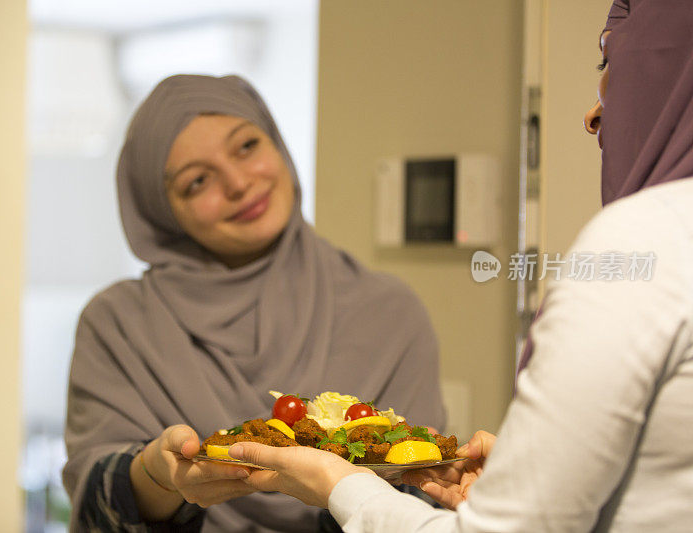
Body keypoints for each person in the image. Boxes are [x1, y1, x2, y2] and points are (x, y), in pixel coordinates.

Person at [227, 1, 693, 531]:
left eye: (609, 64)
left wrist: (339, 485)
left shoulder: (638, 248)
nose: (591, 115)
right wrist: (522, 480)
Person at [62, 74, 447, 532]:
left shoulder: (387, 311)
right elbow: (97, 503)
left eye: (246, 147)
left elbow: (420, 496)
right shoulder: (117, 325)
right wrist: (158, 476)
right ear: (160, 211)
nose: (240, 182)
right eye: (197, 181)